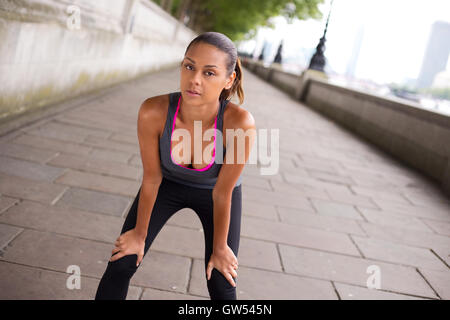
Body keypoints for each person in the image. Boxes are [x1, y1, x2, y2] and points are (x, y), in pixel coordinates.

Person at [94, 31, 256, 300]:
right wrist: (139, 234)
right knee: (122, 262)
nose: (194, 79)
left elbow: (222, 193)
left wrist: (219, 249)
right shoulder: (153, 111)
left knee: (220, 280)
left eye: (209, 73)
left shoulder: (239, 123)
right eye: (189, 66)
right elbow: (151, 179)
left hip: (216, 193)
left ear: (229, 80)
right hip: (166, 185)